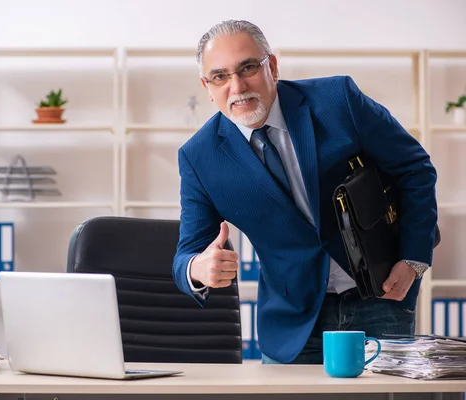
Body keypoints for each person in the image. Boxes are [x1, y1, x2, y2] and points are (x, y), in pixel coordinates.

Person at [171, 20, 438, 364]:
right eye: (220, 76)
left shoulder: (338, 100)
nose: (237, 87)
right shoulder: (198, 157)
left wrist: (413, 259)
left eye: (248, 67)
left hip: (380, 294)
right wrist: (197, 267)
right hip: (293, 321)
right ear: (207, 87)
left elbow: (415, 169)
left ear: (273, 66)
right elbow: (186, 254)